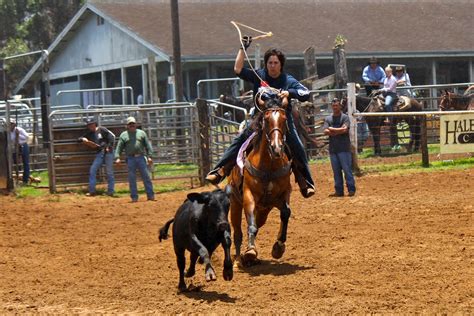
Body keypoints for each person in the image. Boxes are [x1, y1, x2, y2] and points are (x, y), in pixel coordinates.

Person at [205, 38, 315, 198]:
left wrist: (290, 93)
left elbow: (306, 93)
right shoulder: (259, 75)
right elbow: (238, 69)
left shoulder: (288, 80)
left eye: (275, 63)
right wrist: (243, 48)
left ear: (281, 64)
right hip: (260, 119)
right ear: (266, 64)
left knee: (297, 146)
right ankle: (221, 170)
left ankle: (306, 181)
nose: (272, 66)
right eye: (270, 62)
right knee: (240, 139)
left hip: (283, 120)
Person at [114, 117, 155, 202]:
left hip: (141, 157)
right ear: (127, 126)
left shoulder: (142, 133)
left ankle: (150, 195)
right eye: (130, 124)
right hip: (130, 158)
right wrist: (117, 157)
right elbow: (119, 147)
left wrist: (150, 156)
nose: (132, 125)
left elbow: (147, 145)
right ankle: (134, 197)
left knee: (146, 177)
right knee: (132, 178)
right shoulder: (123, 135)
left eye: (133, 123)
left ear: (136, 124)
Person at [323, 98, 356, 197]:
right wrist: (339, 130)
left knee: (347, 170)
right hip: (333, 149)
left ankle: (351, 189)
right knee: (336, 172)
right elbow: (325, 131)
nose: (335, 107)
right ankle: (339, 191)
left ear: (340, 106)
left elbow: (345, 130)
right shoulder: (328, 118)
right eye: (333, 106)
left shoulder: (345, 117)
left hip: (344, 148)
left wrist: (332, 129)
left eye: (336, 105)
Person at [78, 118, 115, 196]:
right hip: (100, 153)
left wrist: (109, 146)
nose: (90, 126)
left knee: (109, 172)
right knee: (93, 170)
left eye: (91, 124)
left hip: (108, 152)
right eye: (89, 125)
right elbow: (79, 139)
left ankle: (110, 191)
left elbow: (112, 137)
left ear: (95, 124)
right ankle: (92, 190)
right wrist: (83, 139)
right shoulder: (90, 133)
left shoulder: (102, 129)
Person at [9, 119, 30, 184]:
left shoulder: (19, 130)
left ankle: (25, 179)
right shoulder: (8, 132)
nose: (10, 125)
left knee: (25, 162)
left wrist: (18, 135)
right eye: (9, 124)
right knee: (15, 161)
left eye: (12, 124)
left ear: (14, 124)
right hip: (15, 147)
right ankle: (17, 176)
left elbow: (26, 137)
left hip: (23, 145)